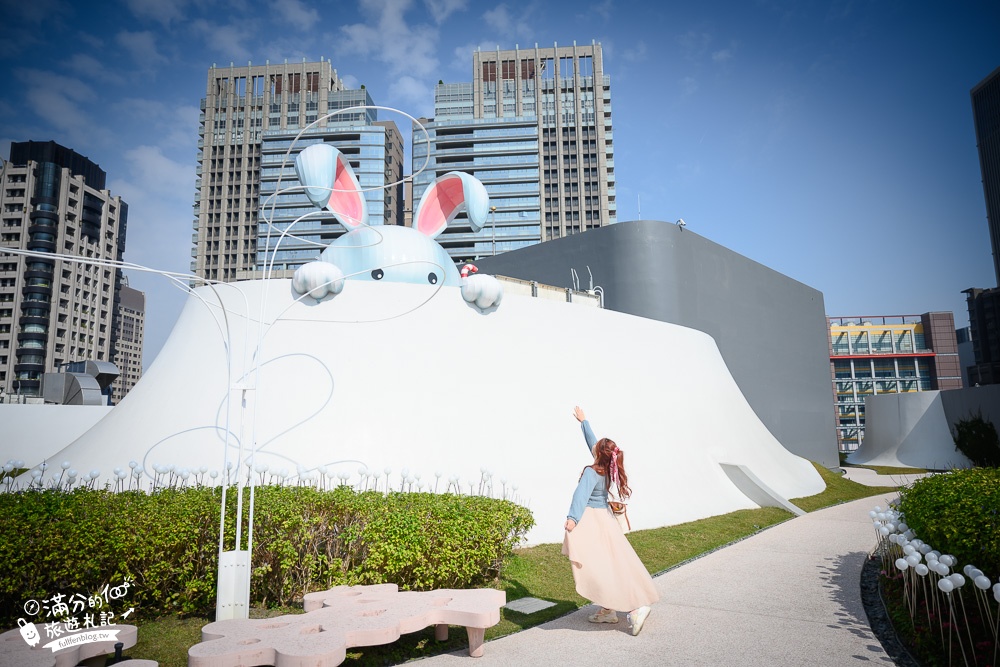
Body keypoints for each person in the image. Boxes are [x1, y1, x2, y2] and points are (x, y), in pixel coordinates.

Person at [562, 406, 659, 635]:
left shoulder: (591, 471)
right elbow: (595, 445)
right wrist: (584, 423)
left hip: (592, 521)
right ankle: (608, 610)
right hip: (605, 521)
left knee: (600, 567)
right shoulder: (608, 468)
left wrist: (572, 519)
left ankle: (634, 608)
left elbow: (580, 496)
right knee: (611, 564)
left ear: (600, 454)